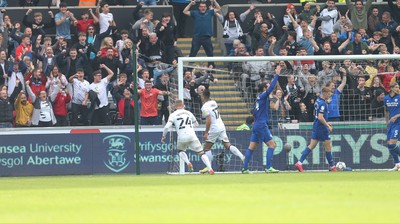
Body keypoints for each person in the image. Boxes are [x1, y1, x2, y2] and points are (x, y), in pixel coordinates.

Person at [242, 65, 281, 174]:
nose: (270, 88)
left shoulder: (259, 98)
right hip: (261, 124)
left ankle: (245, 168)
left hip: (256, 125)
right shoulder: (264, 95)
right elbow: (272, 87)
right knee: (272, 145)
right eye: (268, 87)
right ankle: (268, 168)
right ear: (265, 89)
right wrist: (277, 74)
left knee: (252, 147)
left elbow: (254, 111)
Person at [161, 99, 214, 174]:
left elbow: (166, 127)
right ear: (183, 106)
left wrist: (163, 136)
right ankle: (210, 168)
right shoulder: (189, 113)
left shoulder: (173, 115)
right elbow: (196, 124)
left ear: (175, 106)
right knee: (202, 153)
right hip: (192, 135)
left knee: (180, 151)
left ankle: (188, 162)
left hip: (182, 136)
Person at [198, 88, 245, 174]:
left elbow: (209, 120)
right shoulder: (214, 102)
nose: (200, 97)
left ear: (204, 96)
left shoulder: (204, 107)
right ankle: (242, 157)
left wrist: (206, 132)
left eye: (201, 95)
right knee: (227, 145)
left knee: (207, 148)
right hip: (221, 126)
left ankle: (209, 167)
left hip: (214, 128)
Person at [294, 86, 336, 172]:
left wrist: (327, 122)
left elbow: (319, 117)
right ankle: (332, 166)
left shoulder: (318, 100)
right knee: (328, 147)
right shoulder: (323, 104)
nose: (330, 95)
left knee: (311, 145)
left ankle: (299, 162)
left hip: (316, 126)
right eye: (328, 93)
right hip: (322, 128)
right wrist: (327, 126)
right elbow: (320, 117)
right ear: (324, 93)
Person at [183, 0, 221, 66]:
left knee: (210, 54)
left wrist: (214, 1)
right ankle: (189, 69)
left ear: (206, 8)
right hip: (197, 37)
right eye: (201, 6)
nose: (202, 8)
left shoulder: (210, 12)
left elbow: (218, 8)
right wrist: (190, 4)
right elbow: (185, 11)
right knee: (193, 54)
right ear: (199, 8)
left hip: (207, 37)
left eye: (204, 7)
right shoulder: (195, 13)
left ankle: (211, 70)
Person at [384, 82, 400, 171]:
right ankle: (397, 164)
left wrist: (396, 116)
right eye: (396, 87)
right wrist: (387, 122)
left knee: (392, 144)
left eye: (398, 87)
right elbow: (386, 111)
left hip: (398, 123)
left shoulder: (399, 97)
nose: (397, 89)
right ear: (391, 88)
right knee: (389, 144)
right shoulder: (386, 98)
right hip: (391, 124)